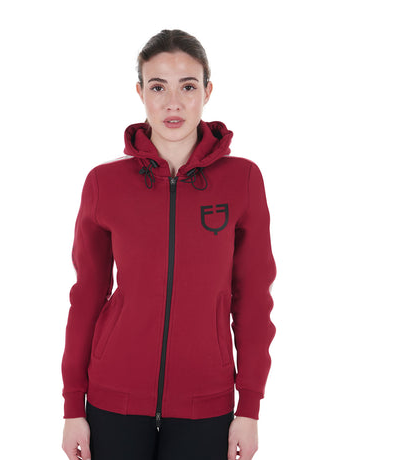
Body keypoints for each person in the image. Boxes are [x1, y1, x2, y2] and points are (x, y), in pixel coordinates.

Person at [61, 29, 276, 460]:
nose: (173, 103)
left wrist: (249, 406)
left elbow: (253, 299)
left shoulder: (243, 180)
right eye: (158, 87)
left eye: (188, 86)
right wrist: (72, 406)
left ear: (207, 92)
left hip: (206, 404)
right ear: (140, 92)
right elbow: (86, 297)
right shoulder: (105, 183)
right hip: (113, 400)